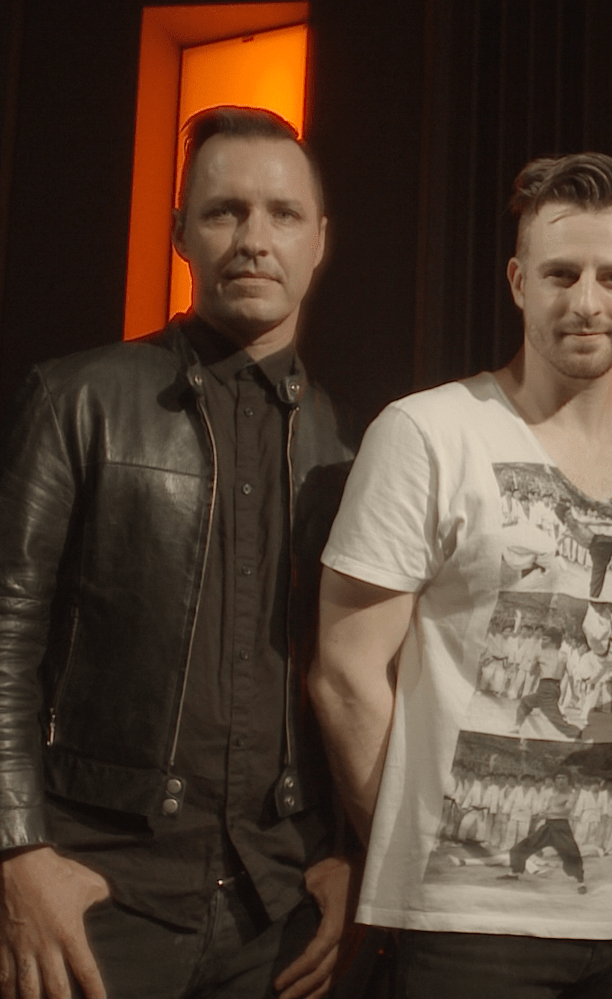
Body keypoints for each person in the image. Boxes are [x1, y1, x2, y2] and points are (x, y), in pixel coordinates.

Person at [312, 152, 612, 999]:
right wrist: (410, 854)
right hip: (469, 919)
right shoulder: (426, 432)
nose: (586, 301)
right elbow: (345, 675)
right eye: (561, 273)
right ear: (519, 281)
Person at [0, 106, 357, 999]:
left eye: (283, 214)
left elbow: (362, 670)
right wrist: (16, 853)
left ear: (320, 240)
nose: (254, 238)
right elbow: (4, 640)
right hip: (94, 892)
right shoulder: (77, 398)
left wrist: (352, 849)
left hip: (277, 908)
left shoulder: (350, 445)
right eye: (224, 211)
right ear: (179, 234)